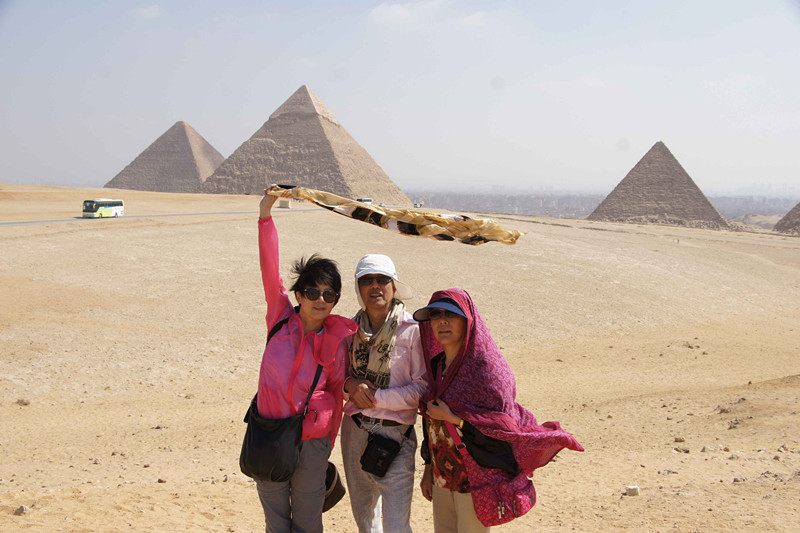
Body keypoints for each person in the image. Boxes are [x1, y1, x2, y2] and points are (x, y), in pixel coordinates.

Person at [414, 289, 583, 533]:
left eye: (450, 314)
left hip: (477, 479)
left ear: (468, 320)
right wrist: (429, 467)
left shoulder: (487, 370)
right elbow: (430, 421)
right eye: (435, 315)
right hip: (442, 477)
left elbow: (501, 431)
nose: (442, 321)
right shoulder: (435, 367)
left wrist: (454, 419)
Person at [255, 186, 357, 533]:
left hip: (313, 441)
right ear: (299, 294)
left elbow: (337, 392)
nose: (320, 299)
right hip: (269, 433)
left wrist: (327, 442)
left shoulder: (338, 340)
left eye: (329, 294)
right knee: (276, 520)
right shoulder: (279, 318)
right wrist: (265, 217)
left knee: (308, 520)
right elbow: (269, 268)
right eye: (312, 291)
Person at [340, 254, 428, 533]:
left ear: (393, 286)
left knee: (396, 526)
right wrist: (350, 386)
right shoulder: (348, 331)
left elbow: (423, 387)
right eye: (367, 280)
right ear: (358, 287)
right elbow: (336, 378)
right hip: (354, 432)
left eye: (382, 280)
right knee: (365, 521)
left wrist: (375, 397)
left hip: (396, 437)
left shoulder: (413, 331)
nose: (375, 286)